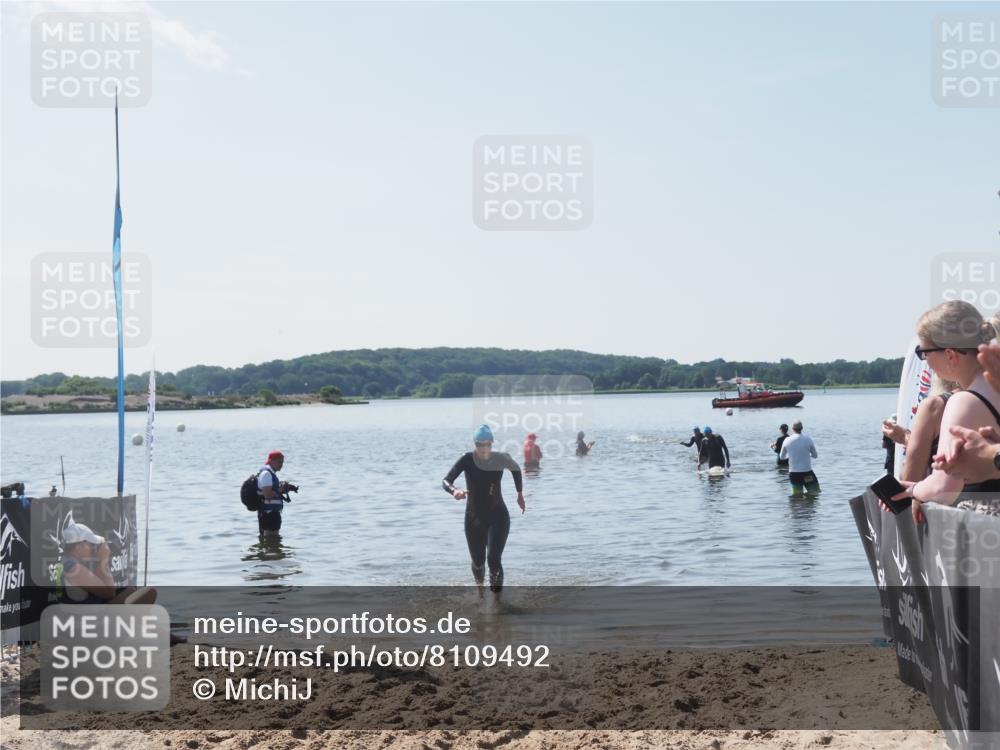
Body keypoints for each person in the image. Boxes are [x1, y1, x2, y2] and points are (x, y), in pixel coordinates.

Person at [895, 303, 1000, 519]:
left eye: (924, 353)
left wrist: (913, 490)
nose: (926, 362)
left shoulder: (963, 402)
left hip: (984, 529)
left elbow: (944, 487)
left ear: (950, 355)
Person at [442, 425, 525, 592]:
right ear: (475, 444)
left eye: (487, 444)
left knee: (493, 559)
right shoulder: (466, 459)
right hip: (473, 518)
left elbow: (516, 469)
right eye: (480, 444)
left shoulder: (501, 458)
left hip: (497, 516)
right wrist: (454, 491)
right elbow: (446, 481)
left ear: (492, 443)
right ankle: (480, 593)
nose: (484, 448)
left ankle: (496, 601)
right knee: (478, 563)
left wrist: (519, 493)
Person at [54, 521, 155, 604]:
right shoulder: (74, 568)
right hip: (84, 619)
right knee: (142, 593)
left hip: (74, 613)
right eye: (90, 544)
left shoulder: (64, 562)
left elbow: (101, 587)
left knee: (129, 592)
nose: (93, 548)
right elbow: (109, 593)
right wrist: (104, 560)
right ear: (78, 547)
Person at [257, 450, 293, 537]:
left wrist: (282, 489)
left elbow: (271, 490)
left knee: (270, 544)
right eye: (279, 462)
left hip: (270, 512)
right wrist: (280, 490)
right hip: (269, 513)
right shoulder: (266, 474)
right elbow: (268, 494)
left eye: (282, 462)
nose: (281, 464)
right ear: (271, 461)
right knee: (271, 540)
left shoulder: (269, 474)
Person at [779, 421, 819, 495]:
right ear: (802, 428)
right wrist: (808, 455)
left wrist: (790, 456)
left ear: (792, 429)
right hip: (807, 473)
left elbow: (781, 457)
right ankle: (809, 506)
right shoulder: (808, 439)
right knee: (814, 492)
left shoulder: (787, 440)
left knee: (797, 496)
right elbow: (815, 456)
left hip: (794, 474)